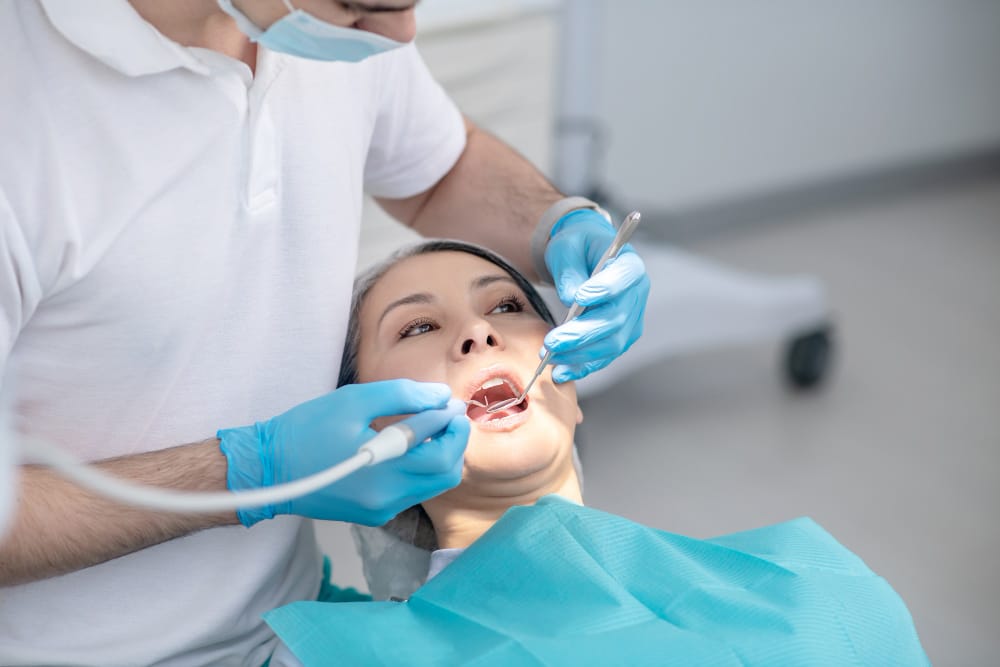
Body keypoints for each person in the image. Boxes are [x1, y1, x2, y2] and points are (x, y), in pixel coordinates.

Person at [0, 1, 650, 665]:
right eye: (361, 5)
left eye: (510, 306)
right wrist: (246, 472)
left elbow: (440, 169)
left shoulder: (332, 30)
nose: (400, 35)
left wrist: (558, 221)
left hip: (284, 625)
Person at [265, 240, 928, 666]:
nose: (478, 332)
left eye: (508, 305)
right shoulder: (343, 655)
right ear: (365, 436)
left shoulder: (820, 588)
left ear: (575, 391)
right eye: (418, 325)